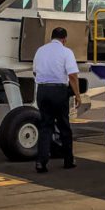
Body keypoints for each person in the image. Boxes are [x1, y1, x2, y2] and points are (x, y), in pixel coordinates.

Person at [32, 27, 81, 173]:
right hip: (59, 91)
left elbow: (35, 71)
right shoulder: (66, 52)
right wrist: (77, 95)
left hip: (42, 90)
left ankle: (41, 162)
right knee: (64, 126)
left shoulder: (40, 50)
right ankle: (68, 160)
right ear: (64, 39)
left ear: (51, 38)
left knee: (45, 126)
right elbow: (72, 75)